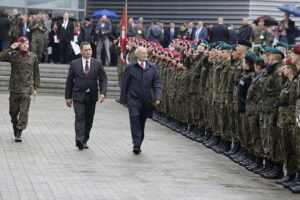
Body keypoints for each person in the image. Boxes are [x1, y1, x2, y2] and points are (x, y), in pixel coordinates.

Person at [65, 42, 107, 150]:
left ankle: (84, 139)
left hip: (91, 96)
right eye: (86, 50)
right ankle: (79, 139)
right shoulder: (74, 64)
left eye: (90, 50)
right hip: (78, 95)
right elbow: (69, 81)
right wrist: (68, 97)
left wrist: (103, 93)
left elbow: (103, 79)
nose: (88, 52)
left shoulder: (97, 63)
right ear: (81, 51)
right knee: (79, 116)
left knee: (89, 119)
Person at [120, 46, 162, 154]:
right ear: (137, 55)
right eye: (143, 53)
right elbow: (125, 84)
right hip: (133, 99)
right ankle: (136, 144)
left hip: (146, 100)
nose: (146, 55)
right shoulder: (131, 67)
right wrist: (123, 100)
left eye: (146, 53)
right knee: (134, 119)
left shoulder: (152, 67)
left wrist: (158, 97)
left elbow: (157, 83)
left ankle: (139, 142)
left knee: (141, 122)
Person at [0, 36, 40, 142]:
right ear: (19, 45)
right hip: (14, 88)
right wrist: (11, 48)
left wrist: (35, 88)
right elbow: (1, 57)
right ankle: (15, 124)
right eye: (22, 43)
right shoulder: (13, 55)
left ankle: (19, 131)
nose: (25, 45)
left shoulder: (33, 56)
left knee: (24, 111)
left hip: (27, 88)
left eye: (26, 43)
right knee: (13, 112)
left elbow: (36, 73)